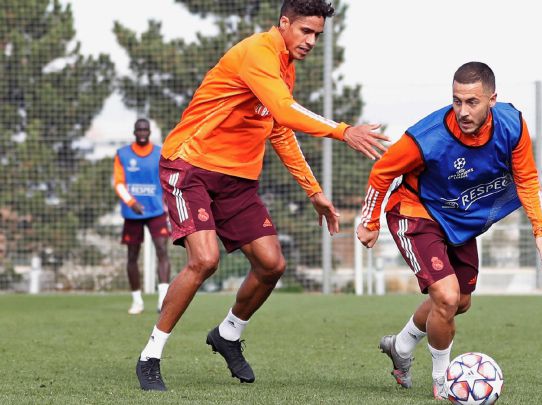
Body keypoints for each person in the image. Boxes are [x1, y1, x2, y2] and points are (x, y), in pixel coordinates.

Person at [134, 0, 389, 391]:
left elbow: (278, 129)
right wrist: (344, 130)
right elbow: (286, 113)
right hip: (191, 166)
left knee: (271, 264)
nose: (311, 41)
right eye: (305, 31)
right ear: (284, 23)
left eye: (317, 35)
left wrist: (314, 192)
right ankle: (150, 356)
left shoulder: (285, 68)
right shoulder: (258, 52)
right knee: (205, 260)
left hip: (236, 180)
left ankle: (229, 334)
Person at [356, 62, 542, 399]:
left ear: (492, 99)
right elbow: (381, 171)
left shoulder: (512, 124)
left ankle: (401, 345)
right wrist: (370, 220)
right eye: (456, 101)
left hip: (458, 223)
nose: (463, 111)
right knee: (446, 296)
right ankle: (443, 381)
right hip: (414, 211)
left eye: (472, 102)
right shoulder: (428, 136)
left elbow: (526, 177)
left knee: (459, 302)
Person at [113, 118, 171, 315]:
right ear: (134, 132)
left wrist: (166, 202)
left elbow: (166, 179)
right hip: (132, 212)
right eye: (139, 129)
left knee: (162, 250)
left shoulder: (159, 153)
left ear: (149, 131)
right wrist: (131, 202)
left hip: (156, 210)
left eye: (146, 129)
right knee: (132, 256)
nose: (142, 132)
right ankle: (137, 301)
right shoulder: (122, 154)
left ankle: (162, 299)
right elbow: (119, 183)